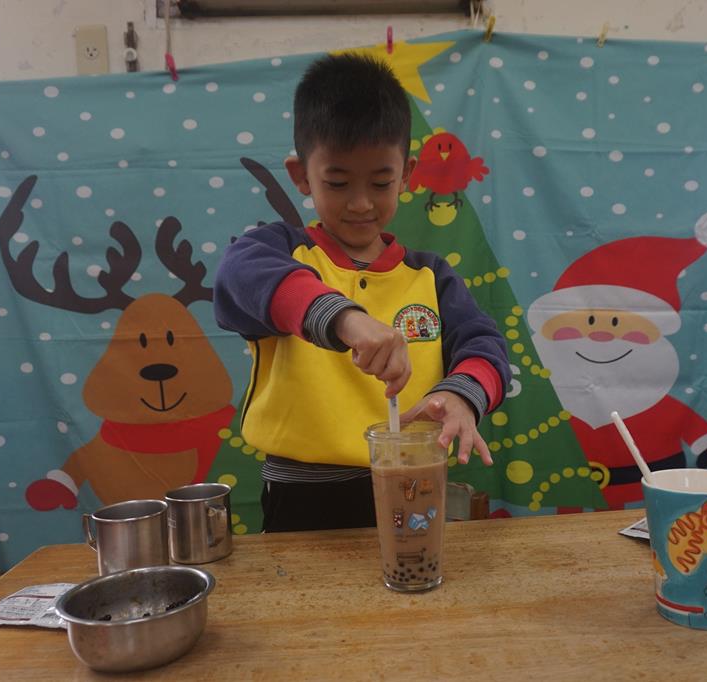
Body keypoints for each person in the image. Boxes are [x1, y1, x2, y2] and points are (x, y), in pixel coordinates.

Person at [214, 54, 510, 532]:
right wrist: (344, 319)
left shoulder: (430, 276)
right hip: (301, 493)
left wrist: (461, 395)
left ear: (407, 174)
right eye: (337, 182)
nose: (359, 203)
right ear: (301, 175)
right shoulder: (278, 253)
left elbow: (485, 346)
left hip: (413, 480)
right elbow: (239, 276)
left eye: (380, 182)